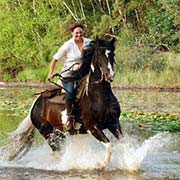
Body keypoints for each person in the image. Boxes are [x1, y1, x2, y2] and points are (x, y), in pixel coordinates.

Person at [48, 23, 91, 130]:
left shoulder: (88, 42)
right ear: (72, 33)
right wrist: (50, 72)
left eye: (81, 32)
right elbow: (54, 59)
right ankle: (69, 115)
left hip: (84, 73)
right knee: (70, 92)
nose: (79, 35)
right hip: (69, 74)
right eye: (76, 33)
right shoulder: (67, 45)